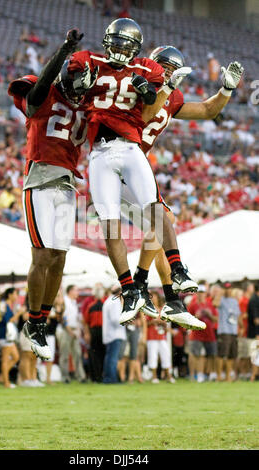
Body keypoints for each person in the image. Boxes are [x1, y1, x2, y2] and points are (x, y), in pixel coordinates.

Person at [68, 18, 192, 325]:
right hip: (99, 152)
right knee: (109, 225)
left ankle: (177, 270)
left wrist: (149, 92)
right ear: (108, 42)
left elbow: (151, 103)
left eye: (128, 45)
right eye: (118, 43)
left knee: (156, 210)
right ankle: (131, 289)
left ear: (137, 49)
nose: (122, 50)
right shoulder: (90, 60)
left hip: (131, 148)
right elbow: (70, 75)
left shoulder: (146, 69)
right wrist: (77, 79)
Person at [123, 46, 244, 329]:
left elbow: (206, 109)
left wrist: (226, 90)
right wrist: (161, 87)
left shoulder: (172, 95)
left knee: (164, 223)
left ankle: (171, 300)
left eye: (172, 70)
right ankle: (141, 285)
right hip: (120, 158)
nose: (167, 73)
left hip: (137, 165)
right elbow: (142, 114)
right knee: (163, 220)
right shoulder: (137, 84)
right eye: (163, 67)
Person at [8, 29, 85, 360]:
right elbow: (40, 87)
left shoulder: (86, 107)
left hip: (67, 183)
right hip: (39, 177)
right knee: (41, 256)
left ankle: (41, 322)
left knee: (59, 259)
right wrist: (65, 49)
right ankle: (32, 321)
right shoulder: (43, 94)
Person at [187, 285, 218, 382]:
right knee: (196, 355)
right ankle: (197, 374)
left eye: (202, 292)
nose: (201, 295)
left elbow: (216, 319)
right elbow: (187, 320)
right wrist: (196, 317)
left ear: (205, 294)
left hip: (209, 333)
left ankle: (210, 374)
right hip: (196, 334)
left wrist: (209, 314)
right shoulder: (192, 305)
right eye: (199, 292)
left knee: (212, 354)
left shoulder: (209, 304)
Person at [0, 288, 25, 388]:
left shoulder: (10, 305)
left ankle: (2, 376)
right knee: (5, 359)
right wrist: (19, 313)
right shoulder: (3, 305)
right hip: (4, 335)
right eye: (15, 294)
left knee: (16, 357)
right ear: (9, 295)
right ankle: (6, 382)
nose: (17, 297)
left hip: (9, 336)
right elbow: (8, 320)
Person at [58, 285, 86, 383]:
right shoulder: (64, 301)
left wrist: (77, 330)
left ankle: (80, 376)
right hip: (66, 330)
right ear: (70, 291)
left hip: (74, 330)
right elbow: (62, 318)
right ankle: (65, 377)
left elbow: (77, 318)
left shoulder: (74, 302)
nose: (77, 293)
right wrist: (70, 331)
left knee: (77, 354)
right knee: (64, 354)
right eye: (76, 290)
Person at [214, 283, 241, 382]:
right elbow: (215, 304)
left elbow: (238, 315)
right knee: (221, 354)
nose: (228, 290)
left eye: (229, 288)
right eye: (226, 288)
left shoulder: (234, 301)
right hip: (224, 330)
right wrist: (220, 294)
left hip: (233, 331)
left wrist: (241, 327)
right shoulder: (221, 299)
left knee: (231, 355)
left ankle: (228, 377)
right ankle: (218, 376)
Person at [146, 292, 175, 383]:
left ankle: (168, 376)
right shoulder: (148, 310)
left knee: (166, 355)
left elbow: (167, 323)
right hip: (152, 336)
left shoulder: (162, 309)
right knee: (153, 356)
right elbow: (145, 323)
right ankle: (154, 377)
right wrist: (153, 322)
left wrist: (163, 323)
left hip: (162, 335)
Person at [102, 284, 126, 384]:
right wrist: (126, 321)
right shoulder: (115, 302)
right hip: (115, 335)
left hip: (111, 334)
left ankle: (108, 378)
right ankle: (111, 379)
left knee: (109, 357)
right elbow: (115, 319)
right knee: (113, 358)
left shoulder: (109, 301)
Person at [82, 283, 106, 383]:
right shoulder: (94, 305)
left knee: (98, 354)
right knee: (98, 354)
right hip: (97, 331)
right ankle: (97, 376)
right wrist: (87, 333)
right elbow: (85, 322)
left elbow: (85, 322)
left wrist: (87, 333)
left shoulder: (102, 304)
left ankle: (98, 376)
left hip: (99, 331)